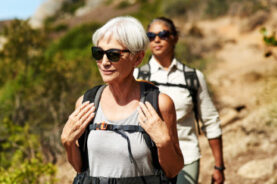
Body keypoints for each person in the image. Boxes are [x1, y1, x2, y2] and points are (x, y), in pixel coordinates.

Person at [61, 16, 184, 184]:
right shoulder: (86, 103)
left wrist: (164, 142)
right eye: (98, 53)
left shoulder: (160, 104)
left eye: (113, 55)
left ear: (138, 58)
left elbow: (173, 170)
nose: (104, 62)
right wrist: (68, 144)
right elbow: (80, 169)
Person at [134, 17, 225, 184]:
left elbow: (210, 121)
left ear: (174, 37)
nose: (157, 39)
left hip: (186, 157)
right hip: (147, 161)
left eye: (162, 34)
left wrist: (219, 166)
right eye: (151, 36)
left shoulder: (192, 77)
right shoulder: (137, 77)